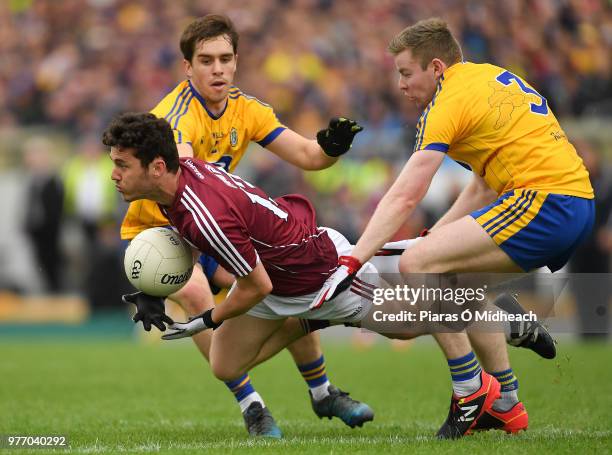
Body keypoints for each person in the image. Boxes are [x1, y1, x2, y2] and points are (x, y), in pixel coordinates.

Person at [312, 18, 595, 439]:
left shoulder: (446, 103)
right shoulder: (488, 79)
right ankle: (506, 402)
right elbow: (481, 187)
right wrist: (437, 237)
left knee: (418, 266)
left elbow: (406, 195)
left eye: (406, 72)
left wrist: (356, 257)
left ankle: (470, 390)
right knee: (453, 286)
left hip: (546, 202)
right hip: (573, 204)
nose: (401, 84)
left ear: (437, 68)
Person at [118, 14, 370, 438]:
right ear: (188, 68)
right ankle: (253, 407)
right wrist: (149, 284)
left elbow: (308, 157)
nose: (217, 68)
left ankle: (322, 392)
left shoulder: (246, 109)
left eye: (225, 58)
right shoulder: (176, 116)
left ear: (236, 62)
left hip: (210, 229)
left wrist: (331, 148)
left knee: (283, 277)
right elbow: (178, 170)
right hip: (160, 235)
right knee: (198, 291)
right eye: (206, 60)